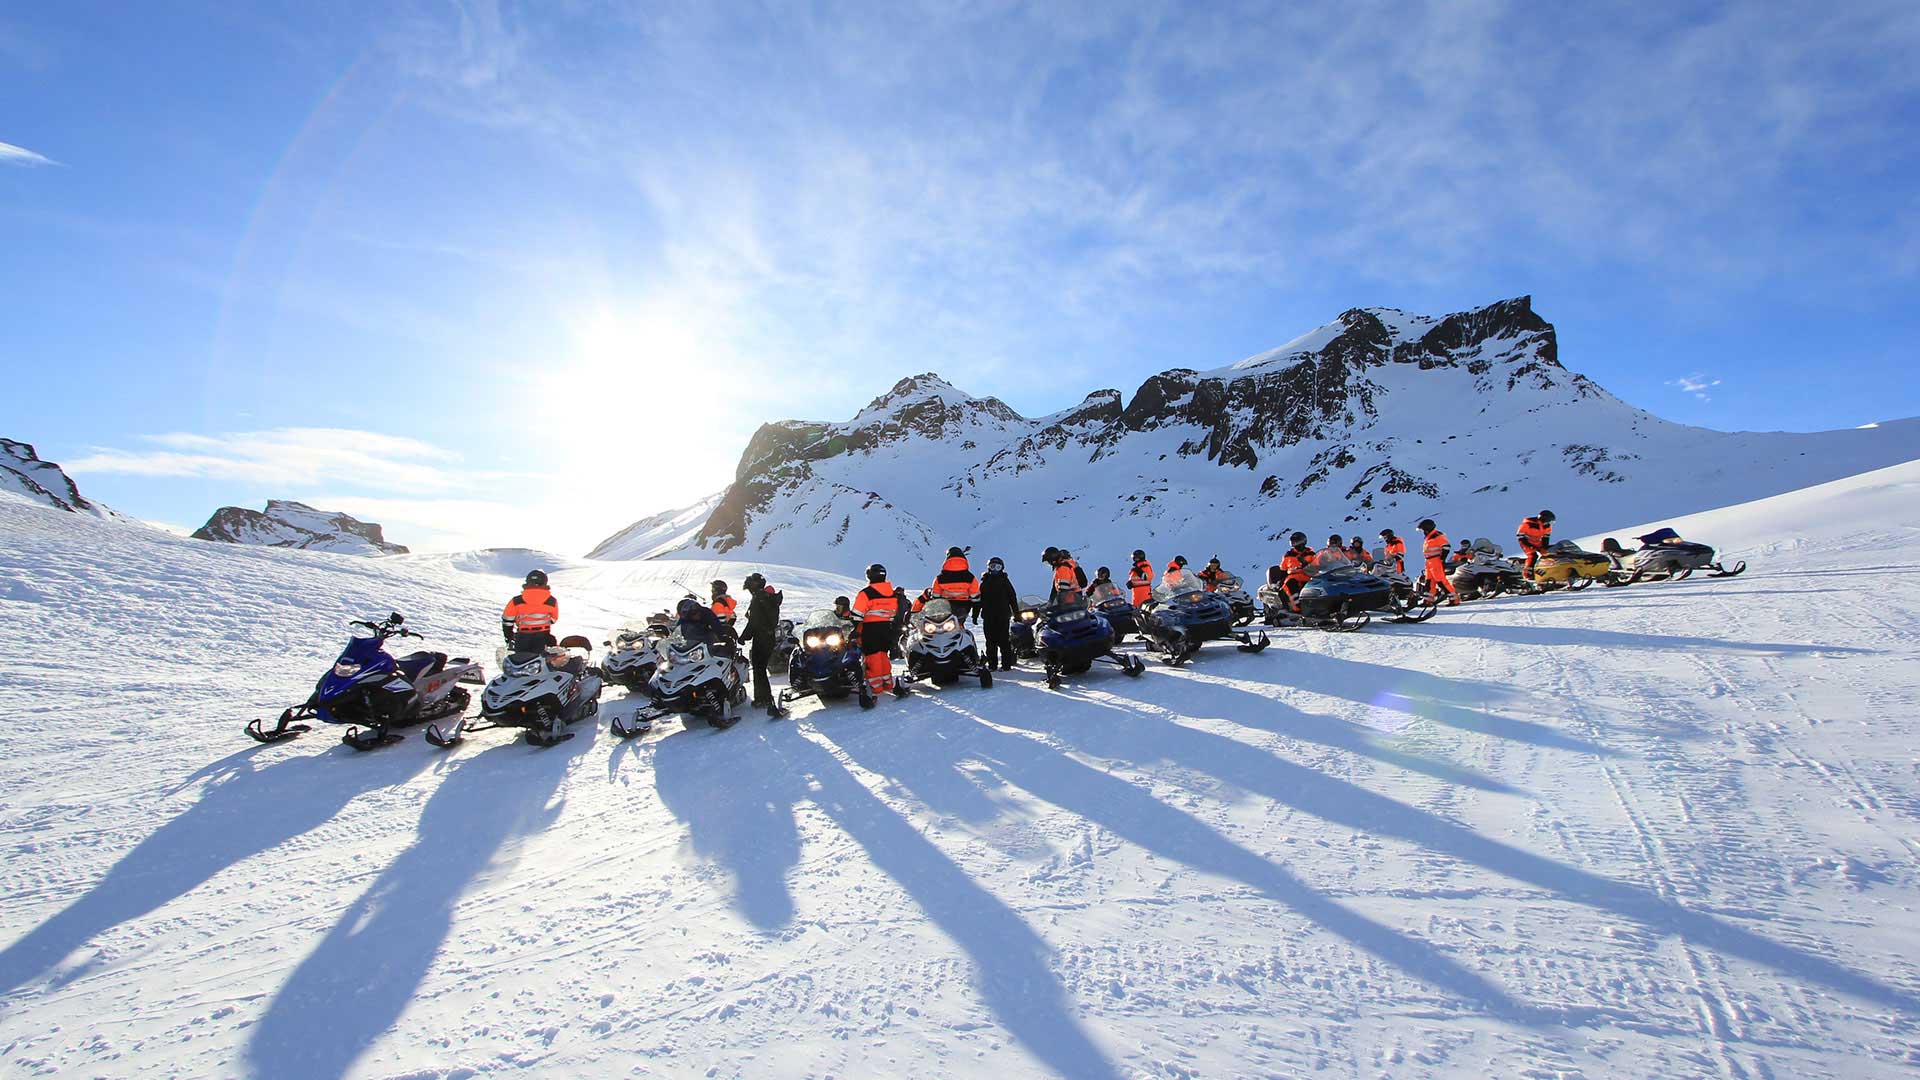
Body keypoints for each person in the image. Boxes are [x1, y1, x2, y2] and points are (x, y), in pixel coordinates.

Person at [851, 563, 911, 698]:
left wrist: (854, 626)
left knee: (873, 657)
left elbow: (856, 615)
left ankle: (876, 687)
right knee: (883, 655)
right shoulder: (891, 594)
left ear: (869, 576)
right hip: (887, 628)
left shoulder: (866, 593)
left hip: (870, 629)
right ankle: (887, 682)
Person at [737, 571, 784, 713]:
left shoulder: (760, 598)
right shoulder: (767, 597)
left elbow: (754, 621)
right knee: (760, 667)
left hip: (762, 637)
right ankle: (763, 698)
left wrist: (744, 637)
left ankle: (764, 699)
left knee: (759, 667)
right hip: (767, 636)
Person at [502, 569, 561, 652]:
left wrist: (509, 637)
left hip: (522, 638)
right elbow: (553, 619)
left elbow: (507, 621)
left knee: (521, 661)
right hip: (543, 637)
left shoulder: (516, 601)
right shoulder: (551, 601)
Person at [978, 556, 1018, 671]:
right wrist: (975, 614)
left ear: (1002, 568)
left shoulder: (1005, 581)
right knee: (990, 642)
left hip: (1003, 616)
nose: (995, 569)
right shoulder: (985, 582)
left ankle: (1006, 664)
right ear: (989, 568)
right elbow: (979, 600)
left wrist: (1016, 613)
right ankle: (992, 665)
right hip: (988, 616)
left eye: (998, 567)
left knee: (1004, 640)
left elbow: (1012, 597)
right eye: (992, 566)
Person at [928, 546, 981, 621]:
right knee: (959, 625)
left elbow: (935, 596)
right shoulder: (970, 577)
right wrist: (975, 615)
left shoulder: (940, 578)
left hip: (945, 607)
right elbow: (976, 598)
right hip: (964, 607)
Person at [1419, 519, 1461, 605]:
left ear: (1428, 528)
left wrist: (1442, 559)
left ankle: (1454, 599)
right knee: (1429, 582)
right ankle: (1428, 600)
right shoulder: (1429, 537)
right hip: (1429, 561)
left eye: (1423, 529)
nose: (1423, 532)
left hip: (1435, 561)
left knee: (1441, 581)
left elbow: (1446, 547)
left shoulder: (1437, 536)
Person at [1279, 533, 1317, 608]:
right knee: (1290, 584)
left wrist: (1306, 564)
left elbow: (1317, 565)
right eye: (1293, 542)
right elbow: (1283, 568)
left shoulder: (1310, 554)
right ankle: (1296, 606)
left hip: (1308, 575)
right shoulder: (1289, 555)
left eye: (1296, 542)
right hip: (1293, 577)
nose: (1295, 544)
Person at [1516, 510, 1556, 579]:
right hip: (1526, 542)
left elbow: (1545, 538)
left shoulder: (1547, 527)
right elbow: (1520, 536)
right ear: (1544, 519)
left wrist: (1545, 547)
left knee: (1549, 554)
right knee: (1533, 556)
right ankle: (1527, 574)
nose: (1549, 523)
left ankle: (1548, 572)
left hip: (1537, 542)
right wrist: (1529, 546)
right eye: (1548, 521)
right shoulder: (1528, 524)